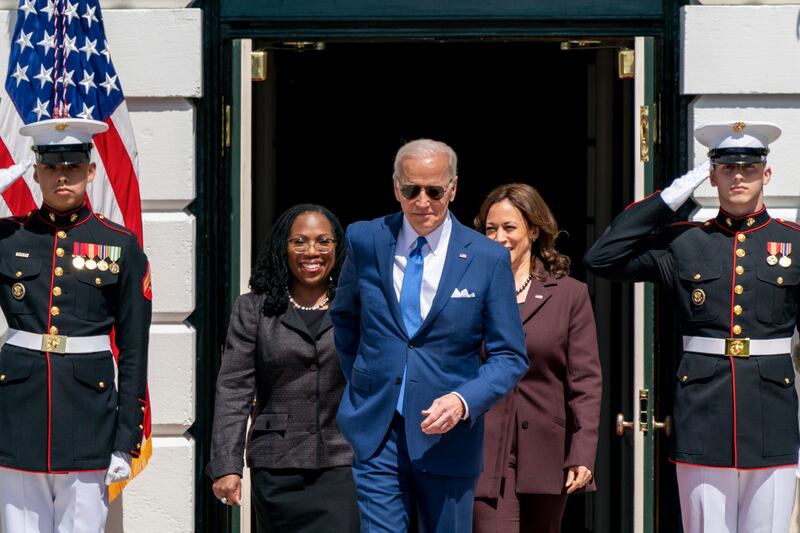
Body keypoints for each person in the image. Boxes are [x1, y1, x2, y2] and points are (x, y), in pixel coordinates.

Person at [584, 121, 799, 532]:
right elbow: (602, 257)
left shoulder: (794, 243)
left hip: (772, 418)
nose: (739, 176)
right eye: (727, 168)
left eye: (749, 167)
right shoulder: (683, 242)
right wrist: (670, 197)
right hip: (703, 416)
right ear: (712, 175)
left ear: (767, 173)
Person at [330, 138, 528, 532]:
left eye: (434, 191)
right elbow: (345, 318)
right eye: (411, 190)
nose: (422, 202)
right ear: (395, 188)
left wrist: (463, 400)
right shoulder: (365, 240)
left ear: (453, 188)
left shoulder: (486, 257)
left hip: (448, 435)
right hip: (377, 430)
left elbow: (510, 356)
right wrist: (365, 380)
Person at [0, 118, 151, 532]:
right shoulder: (8, 239)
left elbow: (134, 351)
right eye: (51, 167)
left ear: (91, 171)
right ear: (35, 173)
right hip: (18, 416)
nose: (62, 176)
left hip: (89, 419)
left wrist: (126, 439)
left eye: (72, 166)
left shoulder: (119, 244)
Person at [207, 204, 359, 532]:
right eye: (299, 241)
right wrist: (227, 465)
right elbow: (233, 389)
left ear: (337, 248)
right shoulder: (253, 309)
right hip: (276, 466)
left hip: (341, 463)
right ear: (282, 248)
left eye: (323, 241)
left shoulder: (356, 306)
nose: (312, 251)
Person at [472, 183, 602, 532]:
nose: (499, 237)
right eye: (490, 229)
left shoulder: (570, 294)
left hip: (547, 451)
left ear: (533, 230)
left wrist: (582, 452)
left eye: (509, 227)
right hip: (484, 448)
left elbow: (585, 382)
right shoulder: (469, 290)